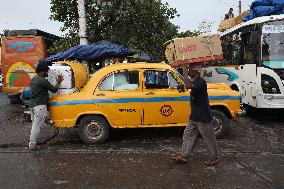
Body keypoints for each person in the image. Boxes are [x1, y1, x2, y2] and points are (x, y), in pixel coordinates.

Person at [173, 65, 218, 166]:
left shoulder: (201, 82)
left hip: (203, 117)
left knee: (209, 138)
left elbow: (189, 85)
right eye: (188, 69)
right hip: (194, 116)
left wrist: (184, 69)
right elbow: (188, 85)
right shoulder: (194, 81)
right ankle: (184, 155)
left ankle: (214, 158)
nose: (189, 71)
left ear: (197, 71)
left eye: (190, 70)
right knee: (187, 135)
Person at [29, 63, 63, 150]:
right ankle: (32, 144)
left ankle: (33, 142)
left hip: (33, 105)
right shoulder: (42, 80)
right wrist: (58, 82)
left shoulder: (34, 79)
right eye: (46, 71)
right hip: (39, 105)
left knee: (35, 125)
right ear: (42, 71)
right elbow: (54, 89)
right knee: (36, 125)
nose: (47, 73)